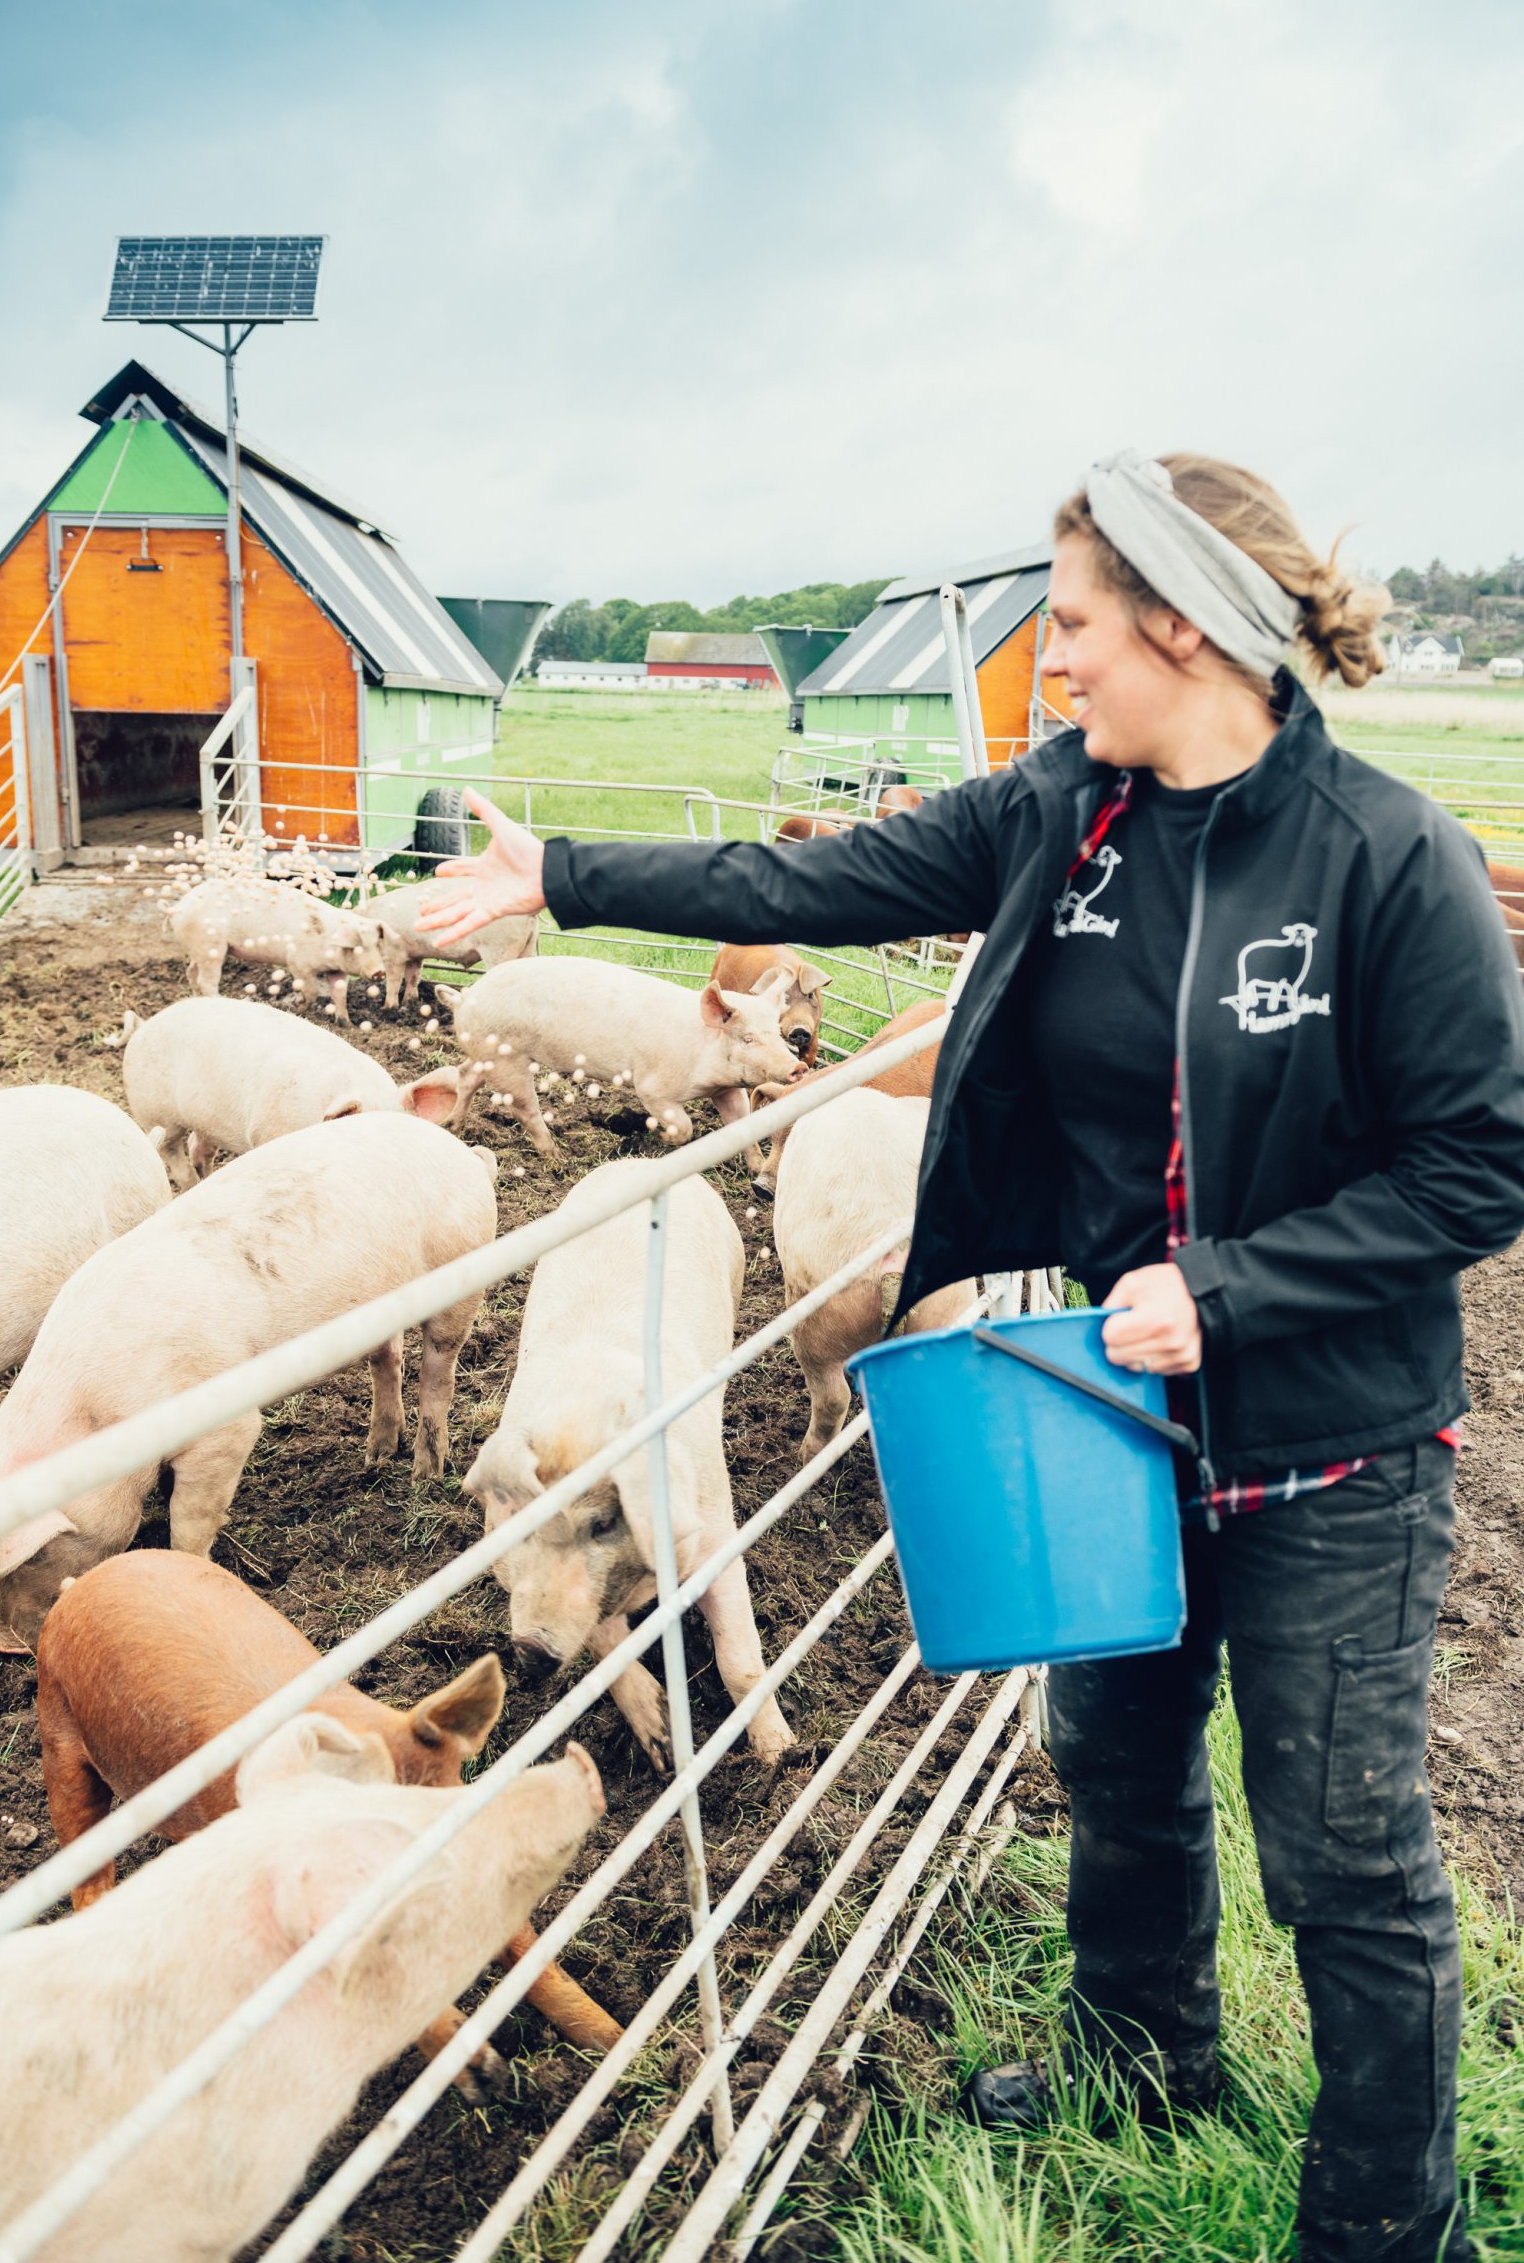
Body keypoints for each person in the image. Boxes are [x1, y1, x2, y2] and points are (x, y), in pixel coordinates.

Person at [422, 453, 1524, 2263]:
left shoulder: (1390, 861)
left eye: (1075, 627)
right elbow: (833, 876)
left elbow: (1479, 1165)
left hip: (1334, 1442)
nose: (1056, 665)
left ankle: (1390, 2218)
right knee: (1118, 1757)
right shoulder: (1057, 819)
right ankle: (1139, 2058)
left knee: (1343, 1849)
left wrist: (1233, 1290)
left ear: (1186, 626)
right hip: (1097, 1406)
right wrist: (564, 875)